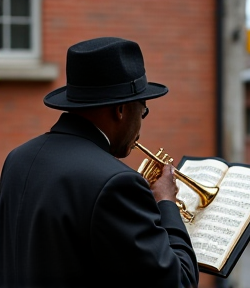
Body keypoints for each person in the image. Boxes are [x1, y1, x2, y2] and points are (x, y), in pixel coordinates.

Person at [0, 37, 199, 288]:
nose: (141, 125)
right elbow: (179, 282)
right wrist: (167, 204)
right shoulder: (118, 183)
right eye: (143, 111)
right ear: (121, 110)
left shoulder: (17, 158)